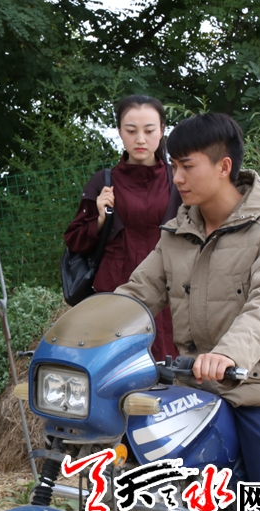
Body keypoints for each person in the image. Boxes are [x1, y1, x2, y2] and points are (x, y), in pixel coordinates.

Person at [116, 112, 260, 511]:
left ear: (224, 166)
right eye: (173, 165)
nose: (177, 177)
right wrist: (81, 338)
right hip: (196, 388)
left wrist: (227, 354)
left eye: (187, 165)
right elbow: (135, 295)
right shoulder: (176, 233)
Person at [64, 95, 180, 362]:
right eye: (131, 130)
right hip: (117, 288)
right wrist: (100, 219)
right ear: (119, 131)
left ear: (162, 130)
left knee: (171, 367)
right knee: (118, 367)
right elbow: (74, 240)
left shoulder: (178, 178)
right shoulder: (103, 182)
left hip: (169, 288)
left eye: (149, 130)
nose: (140, 139)